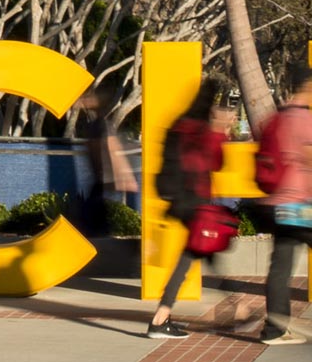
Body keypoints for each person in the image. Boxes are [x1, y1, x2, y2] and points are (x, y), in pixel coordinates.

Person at [146, 77, 235, 339]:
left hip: (178, 201)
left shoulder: (179, 124)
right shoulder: (202, 130)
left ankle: (234, 308)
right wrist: (220, 131)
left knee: (201, 255)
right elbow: (216, 162)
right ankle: (160, 319)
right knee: (196, 255)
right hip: (195, 203)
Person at [251, 65, 312, 345]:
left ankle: (274, 330)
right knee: (281, 266)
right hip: (302, 204)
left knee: (279, 268)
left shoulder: (275, 118)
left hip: (276, 203)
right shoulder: (304, 120)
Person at [70, 87, 139, 237]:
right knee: (95, 204)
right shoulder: (96, 124)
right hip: (100, 174)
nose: (84, 102)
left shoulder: (101, 125)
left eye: (89, 99)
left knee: (92, 205)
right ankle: (100, 231)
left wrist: (124, 175)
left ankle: (96, 233)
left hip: (105, 175)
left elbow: (113, 148)